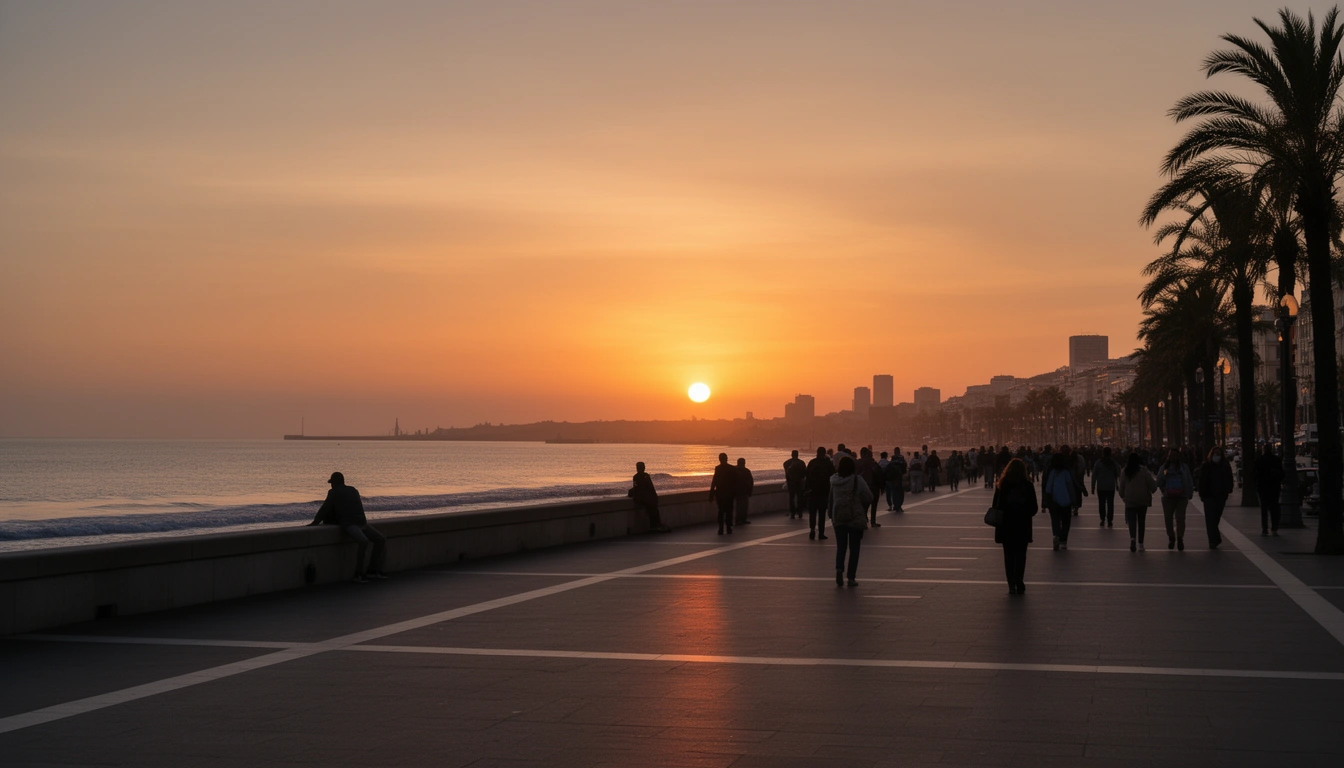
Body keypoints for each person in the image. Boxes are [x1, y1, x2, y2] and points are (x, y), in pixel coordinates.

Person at [308, 472, 387, 582]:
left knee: (363, 541)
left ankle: (358, 573)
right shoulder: (353, 490)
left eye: (331, 483)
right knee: (380, 539)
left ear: (334, 483)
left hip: (349, 523)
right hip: (361, 522)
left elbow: (324, 508)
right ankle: (373, 570)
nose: (331, 485)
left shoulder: (333, 492)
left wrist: (315, 522)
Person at [992, 458, 1037, 594]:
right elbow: (1034, 508)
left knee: (1009, 555)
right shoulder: (1027, 485)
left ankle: (1011, 583)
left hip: (1006, 526)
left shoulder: (1002, 485)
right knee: (1021, 555)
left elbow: (996, 506)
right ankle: (1019, 580)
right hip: (1022, 525)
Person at [828, 456, 872, 587]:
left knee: (841, 547)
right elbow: (869, 497)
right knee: (854, 549)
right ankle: (851, 578)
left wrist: (830, 513)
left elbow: (830, 499)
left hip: (838, 517)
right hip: (854, 518)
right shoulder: (857, 480)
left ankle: (839, 569)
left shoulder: (834, 481)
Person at [1118, 452, 1158, 552]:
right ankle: (1141, 544)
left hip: (1130, 500)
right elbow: (1152, 485)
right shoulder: (1144, 470)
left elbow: (1121, 487)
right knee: (1141, 522)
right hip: (1142, 499)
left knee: (1131, 521)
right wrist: (1153, 489)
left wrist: (1123, 496)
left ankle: (1132, 539)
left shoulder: (1125, 471)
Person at [1041, 451, 1081, 550]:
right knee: (1066, 521)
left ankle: (1056, 535)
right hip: (1065, 501)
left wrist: (1046, 500)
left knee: (1055, 520)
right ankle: (1063, 540)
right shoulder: (1066, 473)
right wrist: (1074, 500)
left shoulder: (1052, 473)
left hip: (1054, 501)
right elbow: (1070, 487)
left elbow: (1048, 488)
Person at [1156, 450, 1194, 551]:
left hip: (1181, 496)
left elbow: (1188, 480)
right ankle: (1171, 537)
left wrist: (1189, 493)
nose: (1173, 457)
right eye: (1171, 455)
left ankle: (1180, 538)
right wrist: (1164, 488)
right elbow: (1160, 479)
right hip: (1168, 497)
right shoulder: (1165, 467)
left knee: (1180, 518)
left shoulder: (1184, 467)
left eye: (1175, 455)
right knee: (1168, 518)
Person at [1197, 446, 1235, 548]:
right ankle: (1212, 541)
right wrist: (1202, 493)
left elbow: (1229, 478)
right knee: (1210, 519)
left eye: (1218, 454)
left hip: (1221, 496)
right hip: (1209, 496)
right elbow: (1202, 480)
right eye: (1215, 454)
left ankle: (1215, 538)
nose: (1216, 456)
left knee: (1216, 518)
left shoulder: (1225, 465)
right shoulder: (1206, 466)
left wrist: (1228, 490)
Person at [804, 447, 835, 540]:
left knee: (812, 513)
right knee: (821, 514)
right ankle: (821, 533)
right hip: (823, 492)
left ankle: (812, 529)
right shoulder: (827, 463)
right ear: (824, 453)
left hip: (813, 492)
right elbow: (833, 475)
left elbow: (807, 476)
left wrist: (807, 489)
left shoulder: (812, 462)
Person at [630, 462, 670, 533]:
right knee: (653, 508)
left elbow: (636, 488)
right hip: (644, 498)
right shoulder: (644, 476)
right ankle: (656, 525)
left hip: (643, 497)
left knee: (653, 508)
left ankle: (654, 525)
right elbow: (650, 487)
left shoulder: (637, 476)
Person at [1254, 444, 1284, 536]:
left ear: (1264, 449)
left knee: (1264, 509)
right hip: (1274, 487)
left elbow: (1255, 474)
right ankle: (1274, 528)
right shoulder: (1276, 460)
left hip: (1263, 487)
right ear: (1272, 449)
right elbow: (1282, 474)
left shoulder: (1260, 460)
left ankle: (1265, 528)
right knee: (1274, 508)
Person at [708, 453, 737, 535]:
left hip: (720, 493)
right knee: (729, 511)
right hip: (729, 494)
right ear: (727, 458)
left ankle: (720, 529)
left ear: (719, 459)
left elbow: (714, 481)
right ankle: (728, 528)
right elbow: (736, 481)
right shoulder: (732, 468)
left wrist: (711, 493)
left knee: (721, 511)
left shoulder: (718, 468)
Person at [1091, 447, 1120, 527]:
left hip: (1101, 486)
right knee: (1110, 504)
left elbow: (1094, 475)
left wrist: (1093, 486)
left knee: (1101, 503)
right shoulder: (1113, 463)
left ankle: (1102, 519)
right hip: (1110, 486)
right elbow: (1118, 473)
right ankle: (1110, 520)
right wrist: (1118, 485)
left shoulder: (1098, 462)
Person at [856, 447, 883, 526]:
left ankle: (864, 519)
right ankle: (873, 521)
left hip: (863, 486)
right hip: (874, 486)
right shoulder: (874, 464)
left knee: (864, 505)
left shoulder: (859, 463)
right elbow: (879, 475)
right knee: (874, 505)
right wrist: (881, 487)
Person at [783, 450, 808, 520]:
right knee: (799, 497)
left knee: (791, 498)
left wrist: (790, 479)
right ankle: (800, 512)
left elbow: (786, 473)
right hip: (799, 482)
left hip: (791, 483)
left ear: (791, 455)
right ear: (798, 455)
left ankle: (792, 513)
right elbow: (805, 473)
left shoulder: (787, 463)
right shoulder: (801, 463)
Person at [884, 448, 907, 512]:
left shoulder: (891, 462)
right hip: (898, 478)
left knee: (894, 493)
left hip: (891, 479)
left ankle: (894, 505)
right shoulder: (901, 459)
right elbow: (904, 468)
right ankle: (898, 506)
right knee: (900, 493)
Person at [734, 458, 754, 526]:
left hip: (737, 491)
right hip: (744, 491)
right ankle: (743, 519)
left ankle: (738, 520)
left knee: (738, 506)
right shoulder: (746, 471)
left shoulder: (734, 470)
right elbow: (751, 482)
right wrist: (750, 491)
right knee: (744, 506)